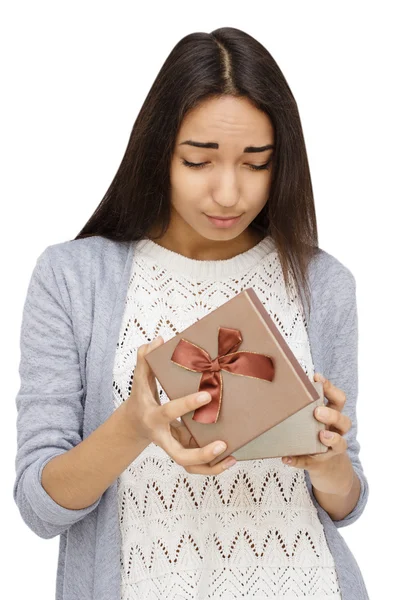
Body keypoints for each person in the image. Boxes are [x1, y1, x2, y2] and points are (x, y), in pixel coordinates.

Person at [13, 27, 369, 600]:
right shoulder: (73, 278)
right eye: (199, 161)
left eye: (256, 164)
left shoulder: (323, 283)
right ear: (159, 153)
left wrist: (329, 464)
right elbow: (40, 507)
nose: (229, 193)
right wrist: (134, 425)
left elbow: (346, 502)